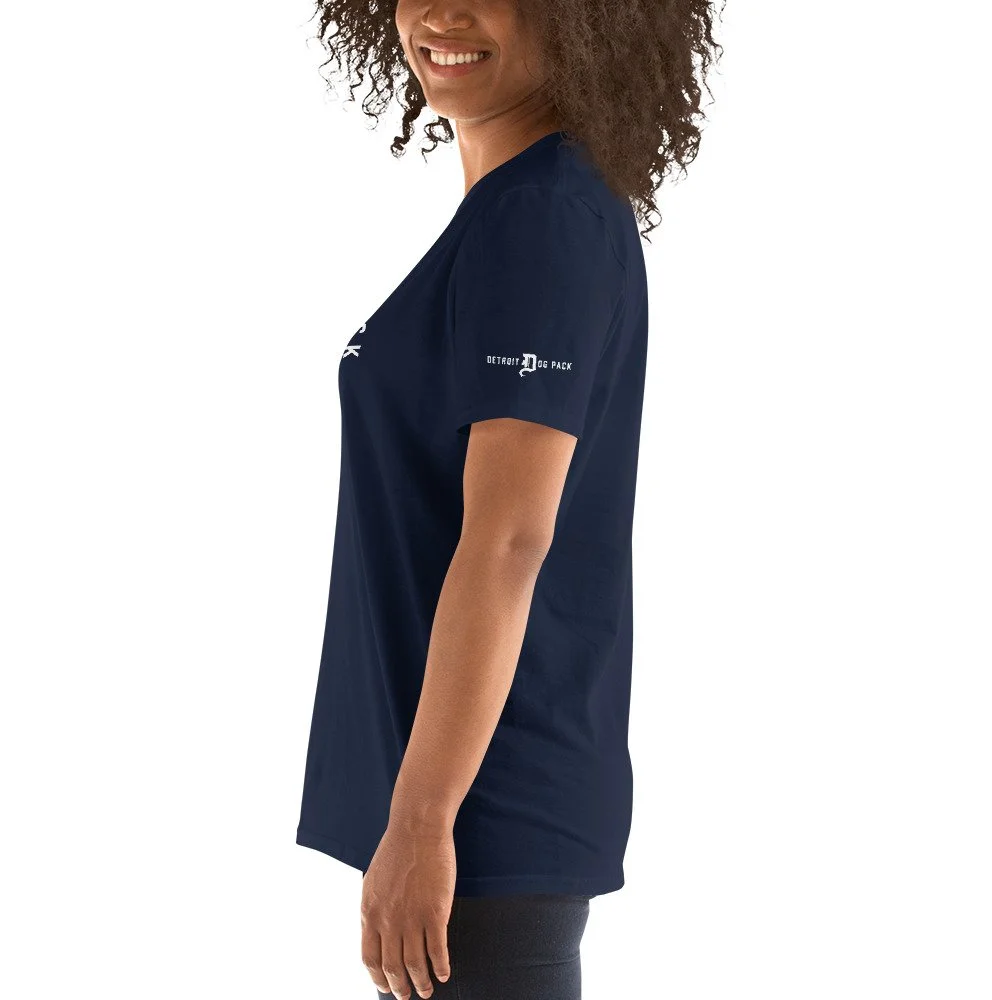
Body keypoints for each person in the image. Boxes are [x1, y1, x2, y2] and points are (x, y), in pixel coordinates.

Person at [297, 2, 721, 997]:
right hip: (471, 812)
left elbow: (509, 539)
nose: (443, 13)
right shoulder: (519, 208)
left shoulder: (543, 217)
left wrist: (423, 819)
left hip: (484, 818)